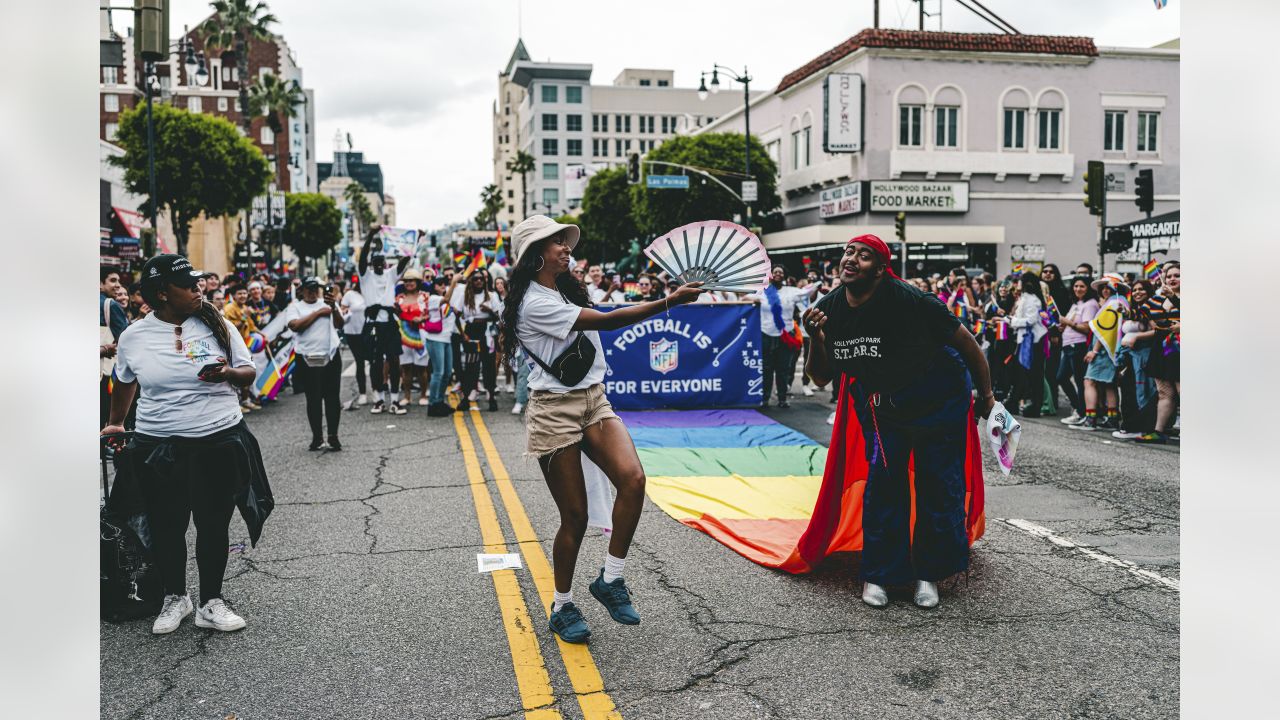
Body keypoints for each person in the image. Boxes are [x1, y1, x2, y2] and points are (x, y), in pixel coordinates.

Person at [500, 215, 704, 643]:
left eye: (564, 240)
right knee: (573, 517)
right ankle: (562, 605)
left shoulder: (564, 289)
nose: (565, 247)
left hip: (594, 398)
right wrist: (672, 301)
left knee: (633, 479)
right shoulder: (534, 302)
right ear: (535, 254)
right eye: (556, 242)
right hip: (554, 410)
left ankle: (611, 579)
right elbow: (610, 321)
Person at [802, 235, 994, 610]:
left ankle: (929, 573)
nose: (851, 259)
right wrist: (816, 339)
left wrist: (987, 397)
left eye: (864, 255)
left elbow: (969, 344)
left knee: (938, 487)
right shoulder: (828, 308)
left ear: (880, 269)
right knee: (883, 487)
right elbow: (821, 378)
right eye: (848, 252)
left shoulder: (913, 300)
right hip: (883, 408)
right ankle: (879, 574)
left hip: (938, 400)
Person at [101, 254, 271, 635]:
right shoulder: (134, 337)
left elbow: (247, 372)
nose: (199, 288)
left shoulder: (218, 324)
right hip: (158, 444)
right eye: (188, 284)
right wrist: (114, 423)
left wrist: (225, 372)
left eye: (198, 282)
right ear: (163, 294)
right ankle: (175, 597)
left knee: (213, 523)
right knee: (166, 525)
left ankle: (211, 602)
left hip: (217, 438)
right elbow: (125, 380)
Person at [285, 277, 346, 450]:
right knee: (313, 398)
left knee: (332, 397)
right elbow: (295, 326)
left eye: (315, 288)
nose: (312, 292)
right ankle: (317, 437)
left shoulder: (328, 304)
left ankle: (333, 436)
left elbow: (340, 324)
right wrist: (318, 313)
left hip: (331, 355)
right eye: (309, 289)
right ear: (302, 290)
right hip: (307, 357)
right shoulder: (295, 307)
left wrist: (333, 308)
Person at [749, 266, 820, 408]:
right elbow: (745, 297)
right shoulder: (762, 291)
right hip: (766, 333)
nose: (777, 274)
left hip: (785, 334)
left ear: (785, 276)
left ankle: (782, 398)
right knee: (767, 368)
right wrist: (753, 300)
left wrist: (816, 282)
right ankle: (765, 399)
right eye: (775, 272)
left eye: (780, 272)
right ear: (770, 275)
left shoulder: (791, 291)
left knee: (783, 369)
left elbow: (809, 291)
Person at [359, 231, 413, 414]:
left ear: (385, 263)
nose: (379, 265)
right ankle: (379, 400)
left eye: (381, 262)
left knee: (394, 362)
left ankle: (395, 400)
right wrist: (370, 236)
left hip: (389, 325)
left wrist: (413, 242)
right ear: (371, 264)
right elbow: (363, 256)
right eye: (375, 263)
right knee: (375, 364)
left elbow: (405, 260)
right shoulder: (365, 276)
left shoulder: (391, 275)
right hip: (373, 324)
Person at [1073, 274, 1129, 431]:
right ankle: (1112, 418)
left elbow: (1105, 332)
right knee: (1109, 384)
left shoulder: (1114, 303)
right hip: (1113, 349)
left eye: (1109, 287)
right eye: (1103, 287)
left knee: (1089, 381)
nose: (1105, 290)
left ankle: (1090, 419)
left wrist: (1095, 351)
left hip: (1104, 349)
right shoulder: (1120, 301)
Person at [1136, 264, 1180, 444]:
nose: (1172, 279)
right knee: (1164, 392)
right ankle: (1158, 431)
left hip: (1180, 347)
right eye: (1169, 276)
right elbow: (1143, 313)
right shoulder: (1161, 297)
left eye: (1177, 275)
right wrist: (1158, 295)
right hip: (1161, 346)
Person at [1112, 279, 1159, 440]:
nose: (1138, 292)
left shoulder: (1153, 308)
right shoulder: (1134, 310)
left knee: (1142, 392)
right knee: (1127, 389)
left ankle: (1141, 427)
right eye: (1135, 289)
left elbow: (1158, 331)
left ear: (1149, 291)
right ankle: (1129, 426)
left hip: (1143, 356)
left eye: (1142, 289)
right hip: (1129, 356)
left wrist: (1137, 337)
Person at [1005, 272, 1049, 418]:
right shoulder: (1025, 298)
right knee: (1020, 373)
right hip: (1024, 340)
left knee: (1033, 374)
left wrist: (1012, 322)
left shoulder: (1033, 299)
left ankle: (1034, 405)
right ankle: (1014, 402)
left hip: (1033, 341)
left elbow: (1030, 320)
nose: (1017, 284)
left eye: (1020, 281)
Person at [1056, 276, 1099, 425]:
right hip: (1068, 345)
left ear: (1088, 288)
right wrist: (1063, 326)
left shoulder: (1090, 304)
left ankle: (1082, 412)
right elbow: (1071, 323)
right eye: (1075, 286)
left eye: (1082, 286)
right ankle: (1078, 408)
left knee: (1080, 381)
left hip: (1078, 346)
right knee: (1061, 377)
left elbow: (1087, 328)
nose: (1078, 289)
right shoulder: (1076, 304)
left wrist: (1068, 323)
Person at [424, 273, 464, 416]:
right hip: (435, 339)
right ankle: (432, 404)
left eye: (444, 284)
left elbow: (453, 312)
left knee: (447, 373)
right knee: (438, 372)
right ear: (434, 287)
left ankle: (439, 401)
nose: (443, 286)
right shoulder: (434, 299)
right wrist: (453, 281)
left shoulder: (446, 301)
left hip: (447, 339)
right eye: (440, 284)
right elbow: (446, 298)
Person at [394, 269, 432, 409]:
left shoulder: (425, 297)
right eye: (406, 281)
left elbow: (432, 314)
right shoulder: (399, 298)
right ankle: (407, 396)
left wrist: (421, 318)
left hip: (420, 334)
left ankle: (423, 395)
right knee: (406, 367)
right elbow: (396, 315)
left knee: (422, 367)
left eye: (412, 280)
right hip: (403, 335)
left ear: (418, 282)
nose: (409, 283)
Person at [338, 278, 370, 409]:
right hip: (352, 332)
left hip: (369, 331)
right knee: (360, 361)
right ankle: (362, 393)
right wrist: (346, 312)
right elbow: (342, 311)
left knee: (374, 361)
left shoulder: (372, 294)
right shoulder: (350, 295)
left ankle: (376, 391)